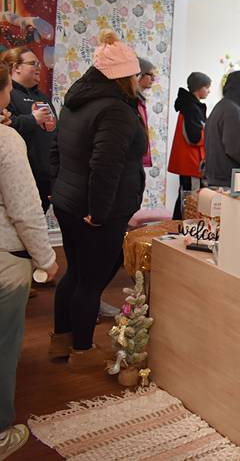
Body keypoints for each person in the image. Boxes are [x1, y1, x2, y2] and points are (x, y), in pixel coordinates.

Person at [49, 30, 148, 370]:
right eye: (135, 74)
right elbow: (104, 167)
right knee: (91, 280)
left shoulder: (76, 99)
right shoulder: (116, 110)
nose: (138, 80)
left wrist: (56, 188)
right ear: (123, 76)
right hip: (95, 208)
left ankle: (60, 343)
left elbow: (57, 149)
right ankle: (82, 350)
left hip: (69, 200)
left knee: (74, 273)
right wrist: (99, 212)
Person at [0, 61, 58, 460]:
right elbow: (25, 209)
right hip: (4, 262)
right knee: (3, 350)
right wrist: (47, 259)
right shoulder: (5, 141)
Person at [1, 47, 57, 212]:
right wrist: (32, 120)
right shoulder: (7, 95)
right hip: (22, 178)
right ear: (16, 67)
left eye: (39, 63)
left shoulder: (43, 97)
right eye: (33, 63)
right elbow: (5, 126)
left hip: (46, 179)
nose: (39, 67)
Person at [168, 72, 210, 219]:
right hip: (191, 161)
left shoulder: (190, 105)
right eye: (207, 87)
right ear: (199, 88)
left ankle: (179, 225)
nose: (209, 91)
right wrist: (209, 134)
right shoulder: (192, 108)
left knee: (185, 196)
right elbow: (194, 137)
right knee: (191, 198)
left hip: (190, 160)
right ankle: (185, 228)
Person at [136, 57, 155, 168]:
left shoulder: (140, 100)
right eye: (150, 74)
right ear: (139, 74)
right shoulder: (132, 102)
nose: (153, 79)